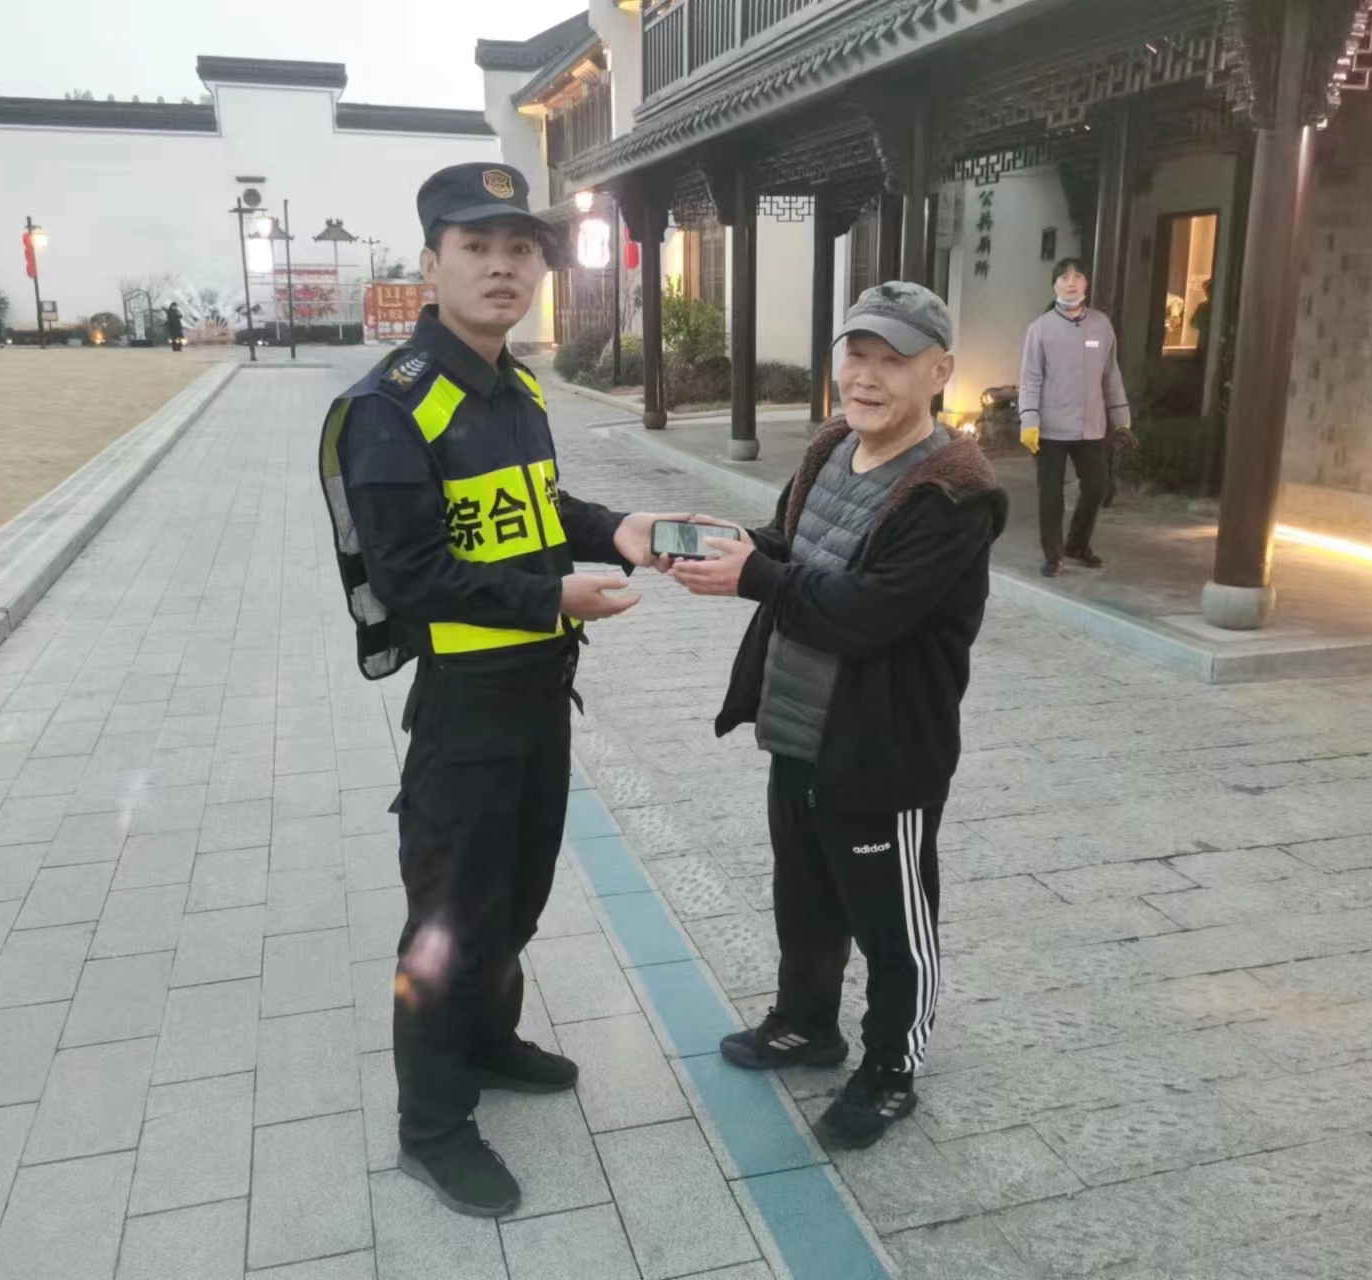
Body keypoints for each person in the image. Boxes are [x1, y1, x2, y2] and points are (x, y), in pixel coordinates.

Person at [317, 162, 684, 1218]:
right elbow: (411, 578)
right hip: (466, 708)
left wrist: (614, 528)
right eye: (475, 247)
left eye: (520, 248)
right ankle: (431, 1125)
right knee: (446, 920)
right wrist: (551, 595)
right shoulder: (392, 407)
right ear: (429, 265)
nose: (501, 267)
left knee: (516, 893)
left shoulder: (515, 387)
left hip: (538, 693)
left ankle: (485, 1040)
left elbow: (539, 507)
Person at [670, 282, 1007, 1150]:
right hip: (798, 730)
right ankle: (806, 1023)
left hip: (881, 753)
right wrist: (730, 549)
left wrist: (756, 577)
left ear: (939, 372)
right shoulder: (830, 447)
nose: (866, 377)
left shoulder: (953, 494)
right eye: (856, 354)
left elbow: (869, 612)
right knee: (806, 896)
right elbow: (791, 544)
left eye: (893, 360)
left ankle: (891, 1070)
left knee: (893, 924)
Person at [1017, 258, 1131, 577]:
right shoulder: (1040, 329)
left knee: (1097, 486)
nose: (1070, 282)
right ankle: (1053, 555)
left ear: (1086, 284)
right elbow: (1030, 379)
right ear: (1054, 285)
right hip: (1049, 428)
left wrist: (1121, 419)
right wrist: (1029, 421)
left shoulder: (1101, 325)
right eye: (1064, 277)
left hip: (1090, 426)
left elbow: (1111, 376)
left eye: (1077, 276)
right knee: (1050, 494)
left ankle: (1077, 544)